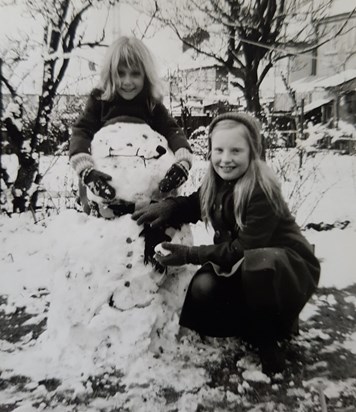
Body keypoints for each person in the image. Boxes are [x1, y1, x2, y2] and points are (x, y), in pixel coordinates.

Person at [132, 112, 320, 374]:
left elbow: (243, 250)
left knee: (258, 265)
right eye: (218, 150)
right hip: (243, 263)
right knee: (203, 287)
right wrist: (170, 206)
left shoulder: (260, 190)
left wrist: (188, 254)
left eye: (236, 150)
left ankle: (269, 339)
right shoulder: (216, 182)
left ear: (252, 153)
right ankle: (249, 325)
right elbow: (196, 204)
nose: (225, 159)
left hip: (285, 267)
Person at [69, 36, 193, 214]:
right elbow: (81, 132)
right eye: (120, 73)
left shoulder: (151, 104)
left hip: (148, 197)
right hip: (106, 190)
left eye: (135, 73)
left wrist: (183, 162)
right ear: (110, 73)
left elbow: (172, 131)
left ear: (146, 75)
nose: (127, 81)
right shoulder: (100, 101)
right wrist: (85, 170)